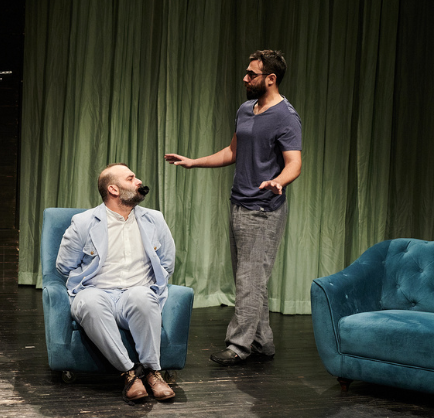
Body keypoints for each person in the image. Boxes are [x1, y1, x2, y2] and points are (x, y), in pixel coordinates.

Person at [164, 50, 302, 365]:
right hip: (238, 203)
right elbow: (232, 151)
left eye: (252, 74)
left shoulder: (286, 117)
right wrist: (194, 162)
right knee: (250, 278)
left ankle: (239, 345)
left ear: (271, 79)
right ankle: (263, 342)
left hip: (263, 209)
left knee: (250, 279)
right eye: (247, 72)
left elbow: (294, 163)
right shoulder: (245, 110)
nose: (245, 78)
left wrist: (279, 181)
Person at [56, 163, 176, 402]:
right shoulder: (84, 222)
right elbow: (64, 265)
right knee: (90, 302)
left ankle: (153, 372)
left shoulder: (154, 219)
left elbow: (167, 262)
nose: (138, 181)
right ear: (113, 189)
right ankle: (129, 373)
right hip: (96, 291)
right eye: (131, 178)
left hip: (136, 291)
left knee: (143, 297)